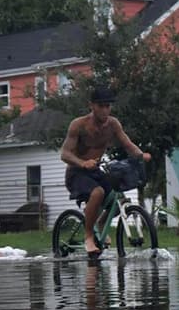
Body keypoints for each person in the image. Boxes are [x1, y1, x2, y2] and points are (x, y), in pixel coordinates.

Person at [60, 87, 151, 258]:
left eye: (108, 106)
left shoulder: (113, 124)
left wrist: (140, 155)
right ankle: (88, 237)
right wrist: (82, 162)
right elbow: (65, 153)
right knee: (98, 192)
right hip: (76, 173)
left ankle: (101, 224)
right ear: (92, 106)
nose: (105, 110)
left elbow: (127, 143)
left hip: (95, 171)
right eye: (101, 106)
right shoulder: (78, 125)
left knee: (119, 199)